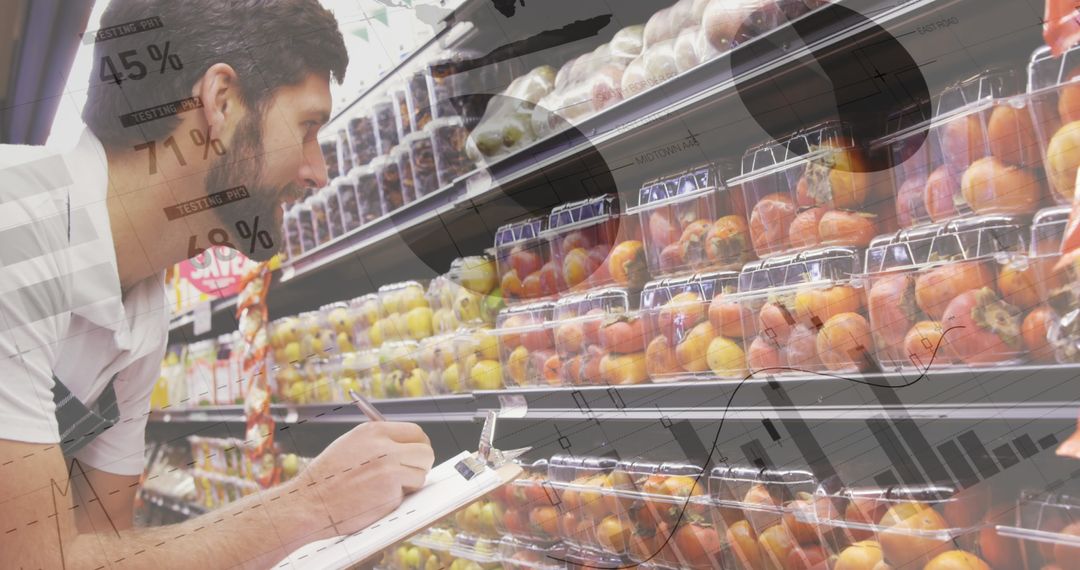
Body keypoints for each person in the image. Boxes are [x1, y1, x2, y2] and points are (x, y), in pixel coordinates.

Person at [0, 1, 434, 567]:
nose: (318, 171)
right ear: (221, 102)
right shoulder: (16, 223)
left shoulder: (143, 307)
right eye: (307, 128)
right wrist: (310, 508)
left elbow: (102, 548)